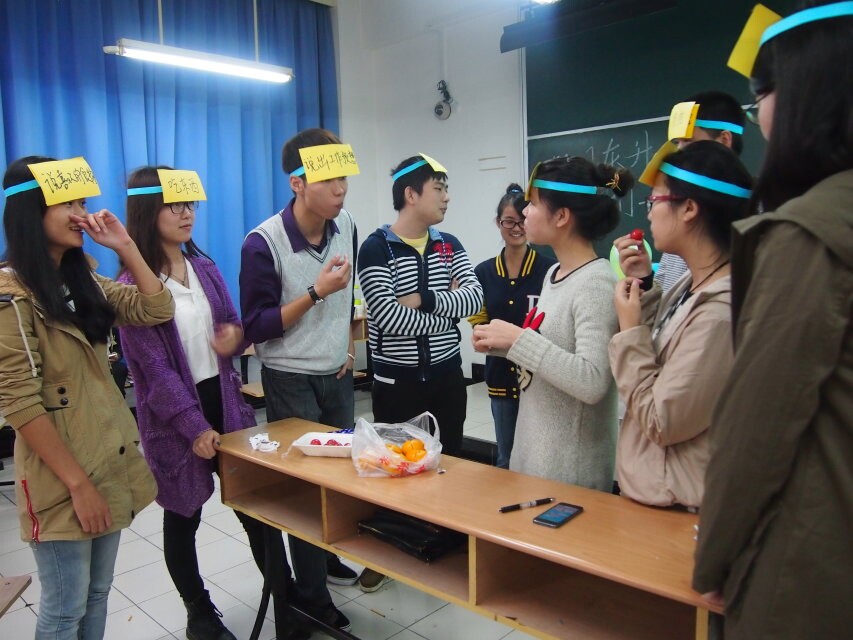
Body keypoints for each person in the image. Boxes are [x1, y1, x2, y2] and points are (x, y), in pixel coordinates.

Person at [693, 2, 853, 638]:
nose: (758, 117)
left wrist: (714, 558)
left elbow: (756, 427)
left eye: (761, 96)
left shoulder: (805, 233)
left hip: (812, 564)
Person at [117, 167, 309, 640]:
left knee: (256, 510)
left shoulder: (204, 268)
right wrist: (193, 426)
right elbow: (155, 373)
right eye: (174, 205)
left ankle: (286, 600)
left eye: (191, 204)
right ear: (148, 210)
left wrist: (234, 338)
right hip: (175, 418)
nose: (187, 214)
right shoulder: (130, 286)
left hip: (224, 404)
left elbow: (233, 327)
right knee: (183, 516)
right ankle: (199, 613)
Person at [0, 156, 174, 639]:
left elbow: (157, 308)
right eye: (68, 204)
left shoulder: (82, 279)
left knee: (97, 594)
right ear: (31, 211)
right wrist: (79, 486)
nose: (82, 214)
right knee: (64, 609)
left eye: (82, 202)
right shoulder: (11, 295)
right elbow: (20, 403)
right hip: (61, 477)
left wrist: (125, 246)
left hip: (105, 459)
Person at [240, 128, 358, 631]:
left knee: (342, 480)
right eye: (329, 179)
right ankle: (311, 598)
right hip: (290, 380)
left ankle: (325, 559)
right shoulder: (262, 243)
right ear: (298, 183)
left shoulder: (345, 223)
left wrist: (347, 347)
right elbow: (257, 327)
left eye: (344, 176)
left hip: (337, 375)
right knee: (307, 493)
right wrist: (315, 291)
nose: (341, 188)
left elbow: (349, 295)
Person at [357, 153, 483, 591]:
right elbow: (388, 318)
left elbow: (474, 299)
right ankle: (389, 550)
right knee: (395, 468)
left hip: (447, 376)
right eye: (439, 189)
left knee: (450, 461)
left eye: (446, 189)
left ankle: (446, 541)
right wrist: (446, 313)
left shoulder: (450, 245)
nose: (447, 197)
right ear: (411, 194)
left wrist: (424, 299)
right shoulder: (377, 248)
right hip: (398, 382)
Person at [608, 141, 752, 509]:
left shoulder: (720, 311)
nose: (649, 214)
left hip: (679, 505)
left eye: (654, 201)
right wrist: (644, 285)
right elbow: (665, 353)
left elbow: (662, 420)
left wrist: (629, 331)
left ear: (688, 208)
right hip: (659, 494)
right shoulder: (693, 282)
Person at [472, 157, 631, 491]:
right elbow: (551, 354)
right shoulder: (554, 274)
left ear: (561, 216)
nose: (524, 211)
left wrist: (517, 340)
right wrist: (501, 345)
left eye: (532, 203)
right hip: (535, 460)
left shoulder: (595, 283)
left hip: (568, 475)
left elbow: (592, 381)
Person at [469, 183, 555, 468]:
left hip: (540, 381)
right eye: (509, 221)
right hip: (501, 380)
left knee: (540, 459)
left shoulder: (549, 270)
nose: (516, 228)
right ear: (498, 223)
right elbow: (478, 322)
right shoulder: (483, 272)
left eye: (522, 221)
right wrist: (483, 335)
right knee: (506, 458)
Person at [657, 90, 748, 291]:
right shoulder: (679, 211)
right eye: (677, 143)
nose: (680, 151)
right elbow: (665, 290)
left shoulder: (752, 211)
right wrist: (645, 278)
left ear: (724, 140)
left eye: (688, 141)